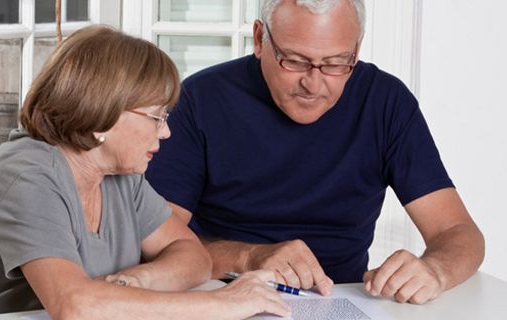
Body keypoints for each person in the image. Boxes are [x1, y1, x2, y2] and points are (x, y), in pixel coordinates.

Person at [0, 26, 290, 319]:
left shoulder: (119, 174)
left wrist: (134, 281)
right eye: (157, 117)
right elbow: (75, 307)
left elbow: (193, 257)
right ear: (103, 115)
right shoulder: (28, 177)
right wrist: (225, 305)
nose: (166, 132)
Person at [145, 0, 485, 305]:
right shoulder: (200, 99)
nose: (313, 83)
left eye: (336, 63)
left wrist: (434, 270)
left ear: (356, 48)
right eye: (295, 61)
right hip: (221, 293)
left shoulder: (385, 102)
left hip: (342, 298)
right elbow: (152, 241)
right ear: (259, 39)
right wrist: (248, 257)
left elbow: (458, 232)